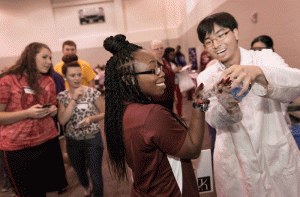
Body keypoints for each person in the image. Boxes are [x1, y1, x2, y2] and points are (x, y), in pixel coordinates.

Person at [196, 12, 300, 196]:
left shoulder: (265, 58)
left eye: (221, 35)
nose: (216, 44)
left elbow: (296, 86)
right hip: (234, 163)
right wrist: (227, 103)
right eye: (209, 41)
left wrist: (258, 73)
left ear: (235, 33)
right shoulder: (207, 77)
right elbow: (213, 120)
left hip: (277, 155)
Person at [103, 34, 208, 196]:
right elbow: (193, 148)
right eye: (153, 70)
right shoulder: (152, 115)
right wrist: (200, 102)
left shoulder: (120, 111)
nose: (162, 74)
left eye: (160, 68)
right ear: (128, 80)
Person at [0, 42, 68, 197]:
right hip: (18, 148)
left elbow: (51, 106)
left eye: (50, 58)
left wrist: (52, 111)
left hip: (48, 143)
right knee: (29, 193)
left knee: (44, 190)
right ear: (31, 56)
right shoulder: (8, 81)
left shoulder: (48, 81)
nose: (49, 61)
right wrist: (27, 113)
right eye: (44, 57)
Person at [57, 54, 105, 197]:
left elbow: (104, 113)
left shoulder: (92, 93)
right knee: (80, 172)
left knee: (96, 174)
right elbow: (62, 121)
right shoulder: (62, 96)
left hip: (93, 139)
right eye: (72, 75)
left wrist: (91, 119)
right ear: (65, 76)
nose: (77, 78)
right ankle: (86, 188)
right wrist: (73, 99)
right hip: (73, 142)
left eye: (79, 75)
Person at [251, 35, 292, 129]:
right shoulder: (251, 68)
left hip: (277, 118)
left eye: (260, 49)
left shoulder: (278, 65)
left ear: (270, 49)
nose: (257, 52)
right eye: (254, 49)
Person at [150, 39, 175, 111]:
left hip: (170, 96)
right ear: (152, 51)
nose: (159, 50)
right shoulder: (153, 64)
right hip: (160, 99)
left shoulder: (165, 61)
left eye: (161, 48)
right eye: (156, 49)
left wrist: (174, 94)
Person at [163, 47, 183, 117]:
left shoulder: (172, 62)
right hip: (170, 85)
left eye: (173, 55)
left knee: (179, 100)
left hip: (176, 83)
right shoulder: (164, 63)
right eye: (171, 55)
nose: (173, 57)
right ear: (166, 55)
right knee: (172, 102)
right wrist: (175, 71)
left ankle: (179, 114)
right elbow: (166, 75)